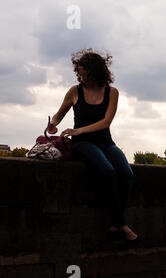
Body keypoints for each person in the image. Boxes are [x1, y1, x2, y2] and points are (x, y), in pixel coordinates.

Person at [47, 49, 139, 243]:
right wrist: (52, 124)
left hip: (105, 142)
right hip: (83, 145)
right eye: (78, 73)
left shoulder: (112, 92)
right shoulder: (74, 91)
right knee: (108, 171)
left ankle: (115, 223)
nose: (80, 77)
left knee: (127, 173)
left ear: (96, 72)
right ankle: (120, 223)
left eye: (83, 73)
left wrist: (78, 130)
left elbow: (106, 122)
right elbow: (59, 114)